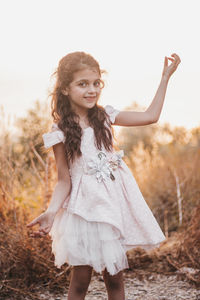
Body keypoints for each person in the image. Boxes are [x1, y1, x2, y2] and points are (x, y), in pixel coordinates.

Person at [27, 51, 181, 300]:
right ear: (65, 89)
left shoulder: (106, 117)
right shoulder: (60, 131)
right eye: (82, 84)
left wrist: (165, 78)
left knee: (115, 279)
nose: (92, 90)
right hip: (84, 213)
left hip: (111, 208)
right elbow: (64, 180)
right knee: (80, 281)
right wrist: (51, 212)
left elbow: (150, 116)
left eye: (96, 83)